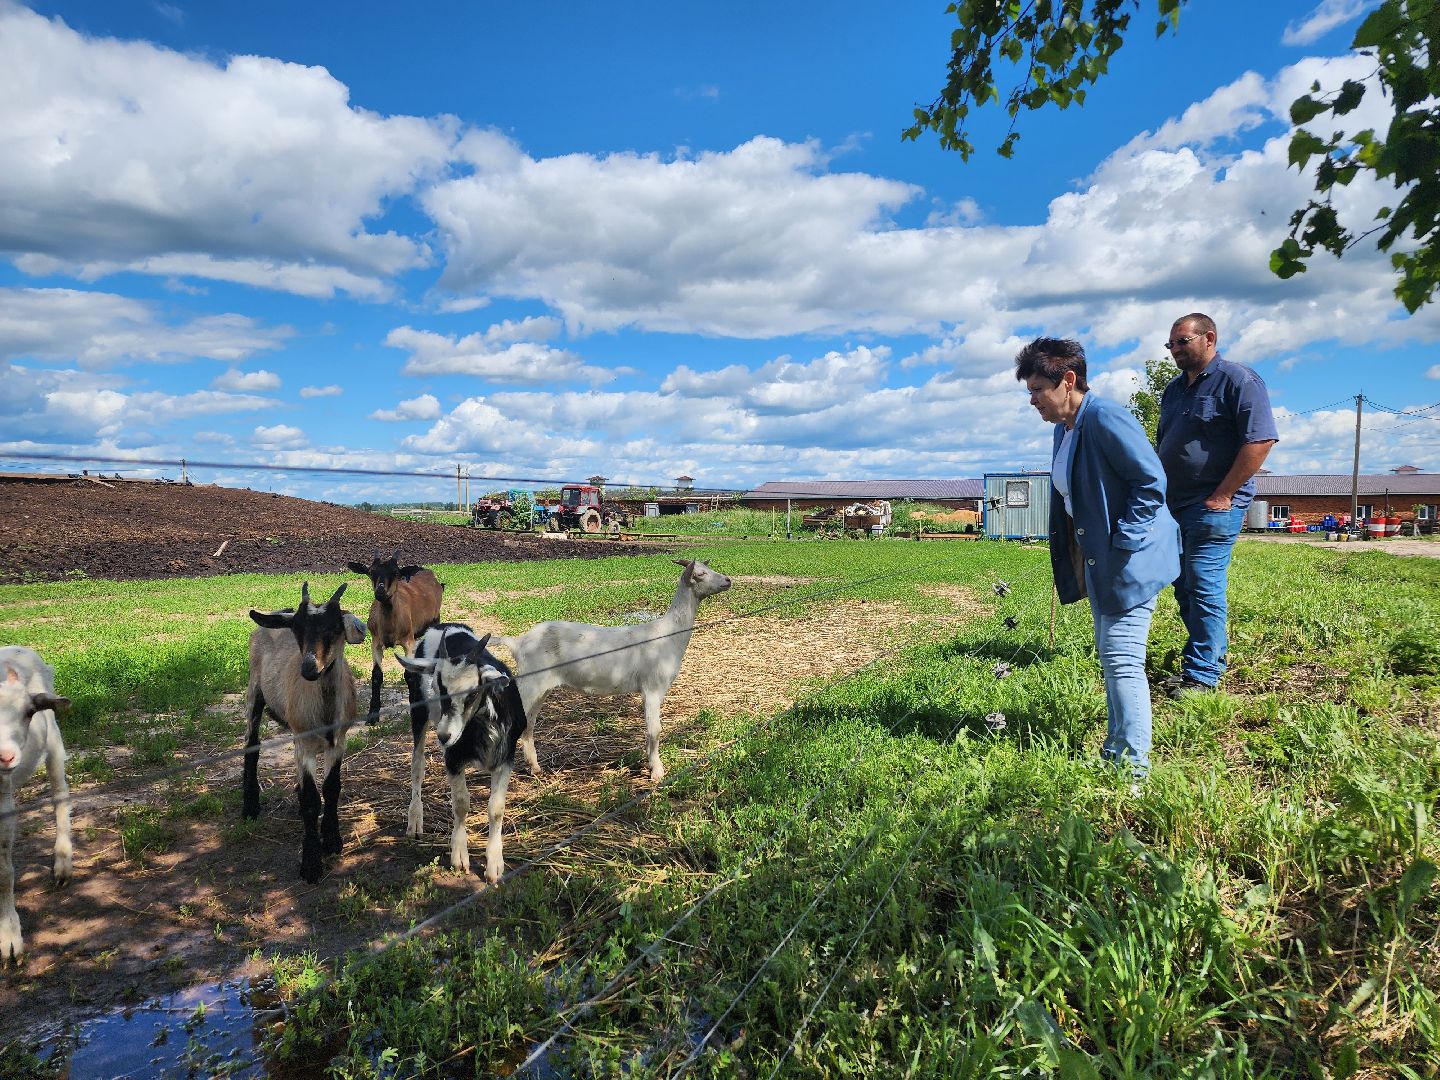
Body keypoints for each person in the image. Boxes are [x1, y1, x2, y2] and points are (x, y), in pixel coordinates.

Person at [1017, 338, 1179, 779]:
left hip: (1132, 559)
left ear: (1068, 381)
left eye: (1037, 390)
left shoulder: (1106, 418)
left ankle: (1132, 771)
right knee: (1112, 657)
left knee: (1123, 659)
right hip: (1104, 561)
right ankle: (1116, 752)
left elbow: (1151, 484)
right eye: (1029, 391)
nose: (1032, 401)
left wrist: (1122, 543)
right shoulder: (1065, 427)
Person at [1155, 314, 1278, 698]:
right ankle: (1206, 656)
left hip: (1214, 504)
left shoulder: (1239, 380)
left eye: (1182, 342)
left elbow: (1259, 441)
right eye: (1171, 344)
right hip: (1174, 505)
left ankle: (1204, 675)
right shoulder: (1174, 390)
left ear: (1208, 338)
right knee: (1183, 585)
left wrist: (1224, 493)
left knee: (1203, 583)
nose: (1175, 350)